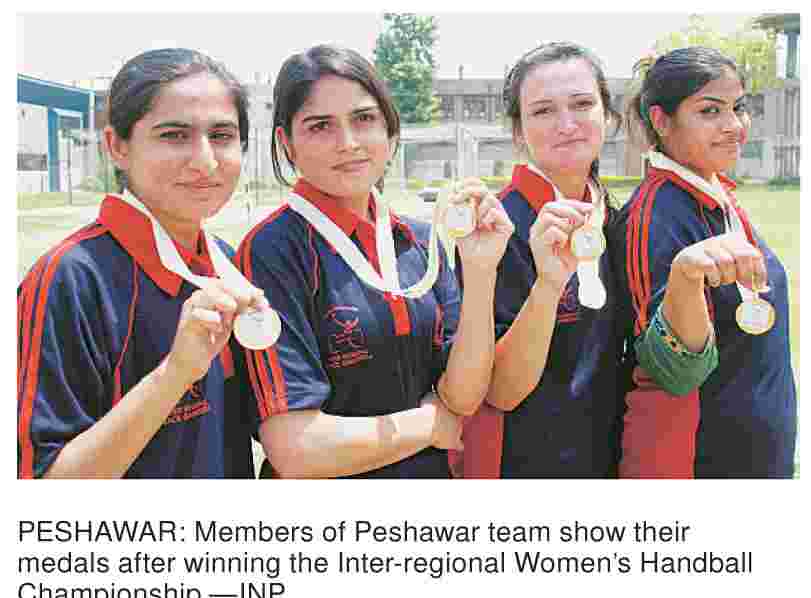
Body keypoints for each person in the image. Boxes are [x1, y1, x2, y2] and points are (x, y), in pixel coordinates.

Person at [234, 44, 513, 478]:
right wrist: (428, 425)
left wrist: (480, 272)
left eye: (363, 119)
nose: (347, 143)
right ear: (286, 143)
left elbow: (462, 397)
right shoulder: (271, 250)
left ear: (389, 130)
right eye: (320, 125)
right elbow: (296, 450)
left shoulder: (419, 241)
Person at [17, 48, 265, 478]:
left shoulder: (227, 262)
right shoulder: (68, 279)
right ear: (116, 145)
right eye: (173, 135)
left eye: (222, 136)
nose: (205, 160)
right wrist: (175, 373)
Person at [608, 46, 797, 477]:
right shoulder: (655, 215)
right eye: (710, 111)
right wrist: (684, 278)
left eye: (739, 108)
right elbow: (670, 372)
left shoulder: (716, 197)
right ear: (661, 120)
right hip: (702, 464)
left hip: (757, 454)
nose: (734, 126)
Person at [455, 41, 625, 478]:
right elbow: (499, 391)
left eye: (583, 104)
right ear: (517, 131)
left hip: (611, 463)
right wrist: (548, 286)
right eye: (543, 111)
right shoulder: (495, 232)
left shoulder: (618, 219)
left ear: (608, 116)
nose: (566, 124)